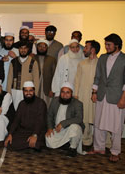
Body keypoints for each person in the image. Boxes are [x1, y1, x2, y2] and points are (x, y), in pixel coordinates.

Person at [88, 34, 125, 163]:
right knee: (98, 122)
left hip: (117, 97)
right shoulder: (102, 58)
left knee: (116, 126)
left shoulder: (124, 59)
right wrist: (94, 92)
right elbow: (97, 76)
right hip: (101, 95)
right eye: (105, 44)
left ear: (117, 45)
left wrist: (123, 98)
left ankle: (115, 151)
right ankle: (99, 147)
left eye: (108, 45)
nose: (106, 47)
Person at [4, 81, 47, 151]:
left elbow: (40, 121)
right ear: (23, 92)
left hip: (37, 131)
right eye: (26, 91)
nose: (28, 93)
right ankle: (30, 145)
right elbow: (16, 120)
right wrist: (10, 134)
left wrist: (35, 135)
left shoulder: (41, 103)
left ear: (34, 91)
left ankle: (33, 143)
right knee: (9, 142)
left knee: (38, 141)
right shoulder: (21, 104)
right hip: (23, 131)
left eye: (30, 90)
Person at [46, 82, 84, 157]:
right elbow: (49, 115)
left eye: (67, 92)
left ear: (71, 93)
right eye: (63, 92)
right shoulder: (55, 101)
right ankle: (66, 145)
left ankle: (72, 148)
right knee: (48, 138)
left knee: (75, 127)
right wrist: (50, 128)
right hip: (57, 129)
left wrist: (63, 123)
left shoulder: (78, 103)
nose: (65, 95)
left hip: (69, 129)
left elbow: (79, 119)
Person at [74, 40, 100, 146]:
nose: (84, 49)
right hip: (83, 95)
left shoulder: (101, 64)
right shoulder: (82, 63)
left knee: (98, 118)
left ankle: (103, 142)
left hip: (96, 96)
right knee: (84, 118)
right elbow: (77, 80)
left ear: (92, 50)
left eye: (86, 47)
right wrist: (75, 94)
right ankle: (85, 140)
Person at [7, 40, 40, 110]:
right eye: (21, 48)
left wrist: (35, 94)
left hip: (28, 92)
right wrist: (8, 93)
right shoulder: (13, 61)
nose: (23, 50)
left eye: (25, 48)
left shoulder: (33, 62)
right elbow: (10, 78)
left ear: (28, 49)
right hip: (15, 91)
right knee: (17, 111)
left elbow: (36, 80)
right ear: (18, 49)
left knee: (28, 111)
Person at [34, 39, 57, 107]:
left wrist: (52, 90)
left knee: (46, 107)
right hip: (35, 87)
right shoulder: (32, 58)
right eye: (40, 46)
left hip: (47, 88)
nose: (42, 48)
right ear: (37, 47)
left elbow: (55, 76)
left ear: (47, 48)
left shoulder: (52, 59)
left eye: (44, 46)